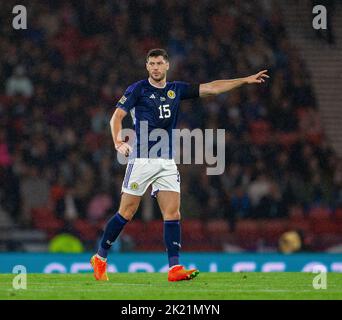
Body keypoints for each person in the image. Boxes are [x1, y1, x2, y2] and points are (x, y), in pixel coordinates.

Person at [91, 48, 269, 281]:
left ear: (167, 66)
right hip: (142, 159)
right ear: (147, 67)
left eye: (159, 63)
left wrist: (244, 80)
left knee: (172, 212)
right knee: (126, 212)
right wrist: (117, 142)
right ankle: (101, 257)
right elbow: (116, 117)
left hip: (166, 161)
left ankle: (174, 268)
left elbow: (212, 87)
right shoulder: (137, 89)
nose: (155, 67)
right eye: (151, 63)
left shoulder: (176, 90)